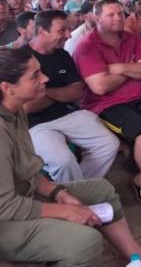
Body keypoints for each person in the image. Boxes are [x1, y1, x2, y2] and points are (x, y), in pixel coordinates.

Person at [0, 48, 141, 267]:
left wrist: (58, 193)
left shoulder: (15, 111)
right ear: (7, 88)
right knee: (85, 242)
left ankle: (139, 258)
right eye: (35, 75)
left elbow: (27, 171)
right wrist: (65, 211)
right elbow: (5, 206)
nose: (45, 78)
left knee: (101, 190)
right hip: (5, 222)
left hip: (23, 198)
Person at [73, 0, 141, 209]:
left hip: (137, 96)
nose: (118, 18)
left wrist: (118, 68)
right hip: (105, 105)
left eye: (120, 13)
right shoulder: (86, 46)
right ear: (97, 18)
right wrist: (132, 69)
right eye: (110, 14)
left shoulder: (131, 38)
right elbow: (100, 87)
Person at [24, 10, 119, 182]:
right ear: (41, 31)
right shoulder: (21, 58)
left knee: (108, 144)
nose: (68, 35)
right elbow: (27, 106)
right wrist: (62, 93)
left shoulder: (63, 55)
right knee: (64, 162)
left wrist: (44, 92)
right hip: (34, 124)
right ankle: (78, 192)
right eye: (62, 30)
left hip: (67, 114)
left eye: (69, 29)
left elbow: (77, 92)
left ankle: (79, 189)